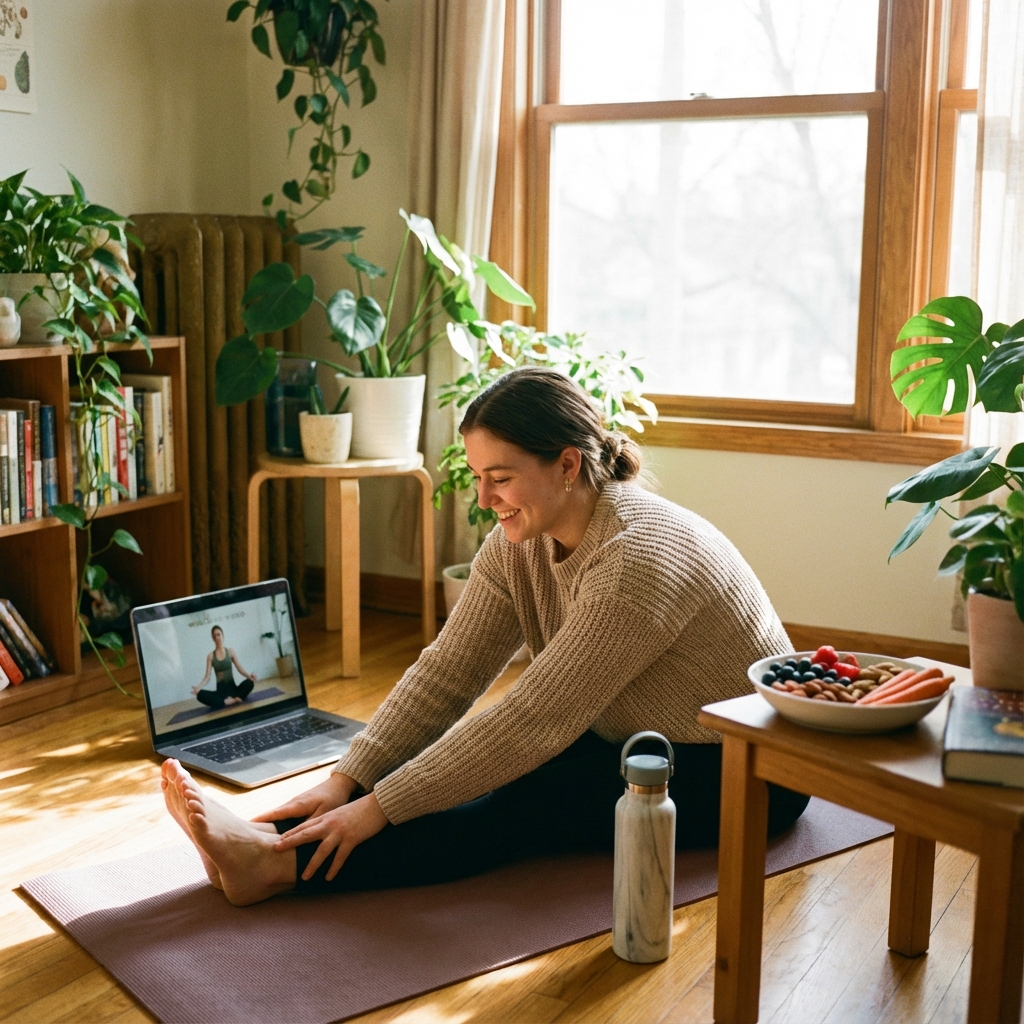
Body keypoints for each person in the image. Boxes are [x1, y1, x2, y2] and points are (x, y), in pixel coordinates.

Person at [162, 366, 808, 906]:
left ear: (566, 465)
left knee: (520, 801)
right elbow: (449, 672)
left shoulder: (639, 558)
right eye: (477, 478)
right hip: (635, 732)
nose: (485, 498)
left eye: (500, 477)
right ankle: (273, 836)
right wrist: (348, 779)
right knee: (458, 773)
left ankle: (275, 868)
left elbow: (533, 718)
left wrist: (377, 807)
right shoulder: (518, 542)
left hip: (746, 771)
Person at [191, 625, 257, 709]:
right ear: (213, 639)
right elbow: (207, 676)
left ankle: (231, 699)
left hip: (234, 690)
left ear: (223, 635)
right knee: (199, 695)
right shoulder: (210, 656)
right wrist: (198, 687)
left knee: (249, 683)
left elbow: (239, 667)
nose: (217, 637)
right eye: (214, 636)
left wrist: (249, 676)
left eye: (218, 634)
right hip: (221, 693)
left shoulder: (230, 651)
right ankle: (228, 701)